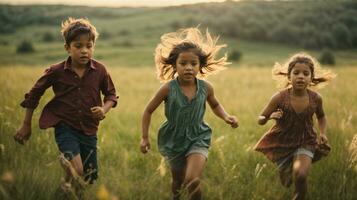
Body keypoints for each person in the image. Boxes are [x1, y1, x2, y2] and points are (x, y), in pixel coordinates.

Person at [13, 17, 118, 197]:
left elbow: (110, 96)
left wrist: (103, 109)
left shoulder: (100, 70)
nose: (84, 50)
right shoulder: (56, 71)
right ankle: (67, 168)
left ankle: (63, 194)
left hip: (89, 129)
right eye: (78, 46)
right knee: (77, 169)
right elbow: (34, 94)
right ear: (67, 48)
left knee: (88, 177)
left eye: (89, 45)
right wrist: (26, 124)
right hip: (65, 126)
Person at [140, 28, 239, 200]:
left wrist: (226, 116)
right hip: (174, 139)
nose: (188, 68)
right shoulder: (168, 89)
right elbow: (148, 110)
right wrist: (144, 137)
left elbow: (215, 105)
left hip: (198, 136)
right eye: (183, 63)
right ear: (174, 65)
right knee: (178, 181)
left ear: (200, 66)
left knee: (192, 180)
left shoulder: (206, 88)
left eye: (193, 64)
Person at [254, 52, 336, 200]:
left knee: (301, 174)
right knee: (286, 181)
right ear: (289, 76)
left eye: (306, 73)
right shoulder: (279, 97)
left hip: (306, 140)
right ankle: (286, 169)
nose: (301, 76)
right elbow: (260, 118)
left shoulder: (316, 99)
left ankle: (299, 196)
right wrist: (269, 117)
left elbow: (322, 116)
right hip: (282, 141)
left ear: (311, 78)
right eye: (296, 72)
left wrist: (323, 133)